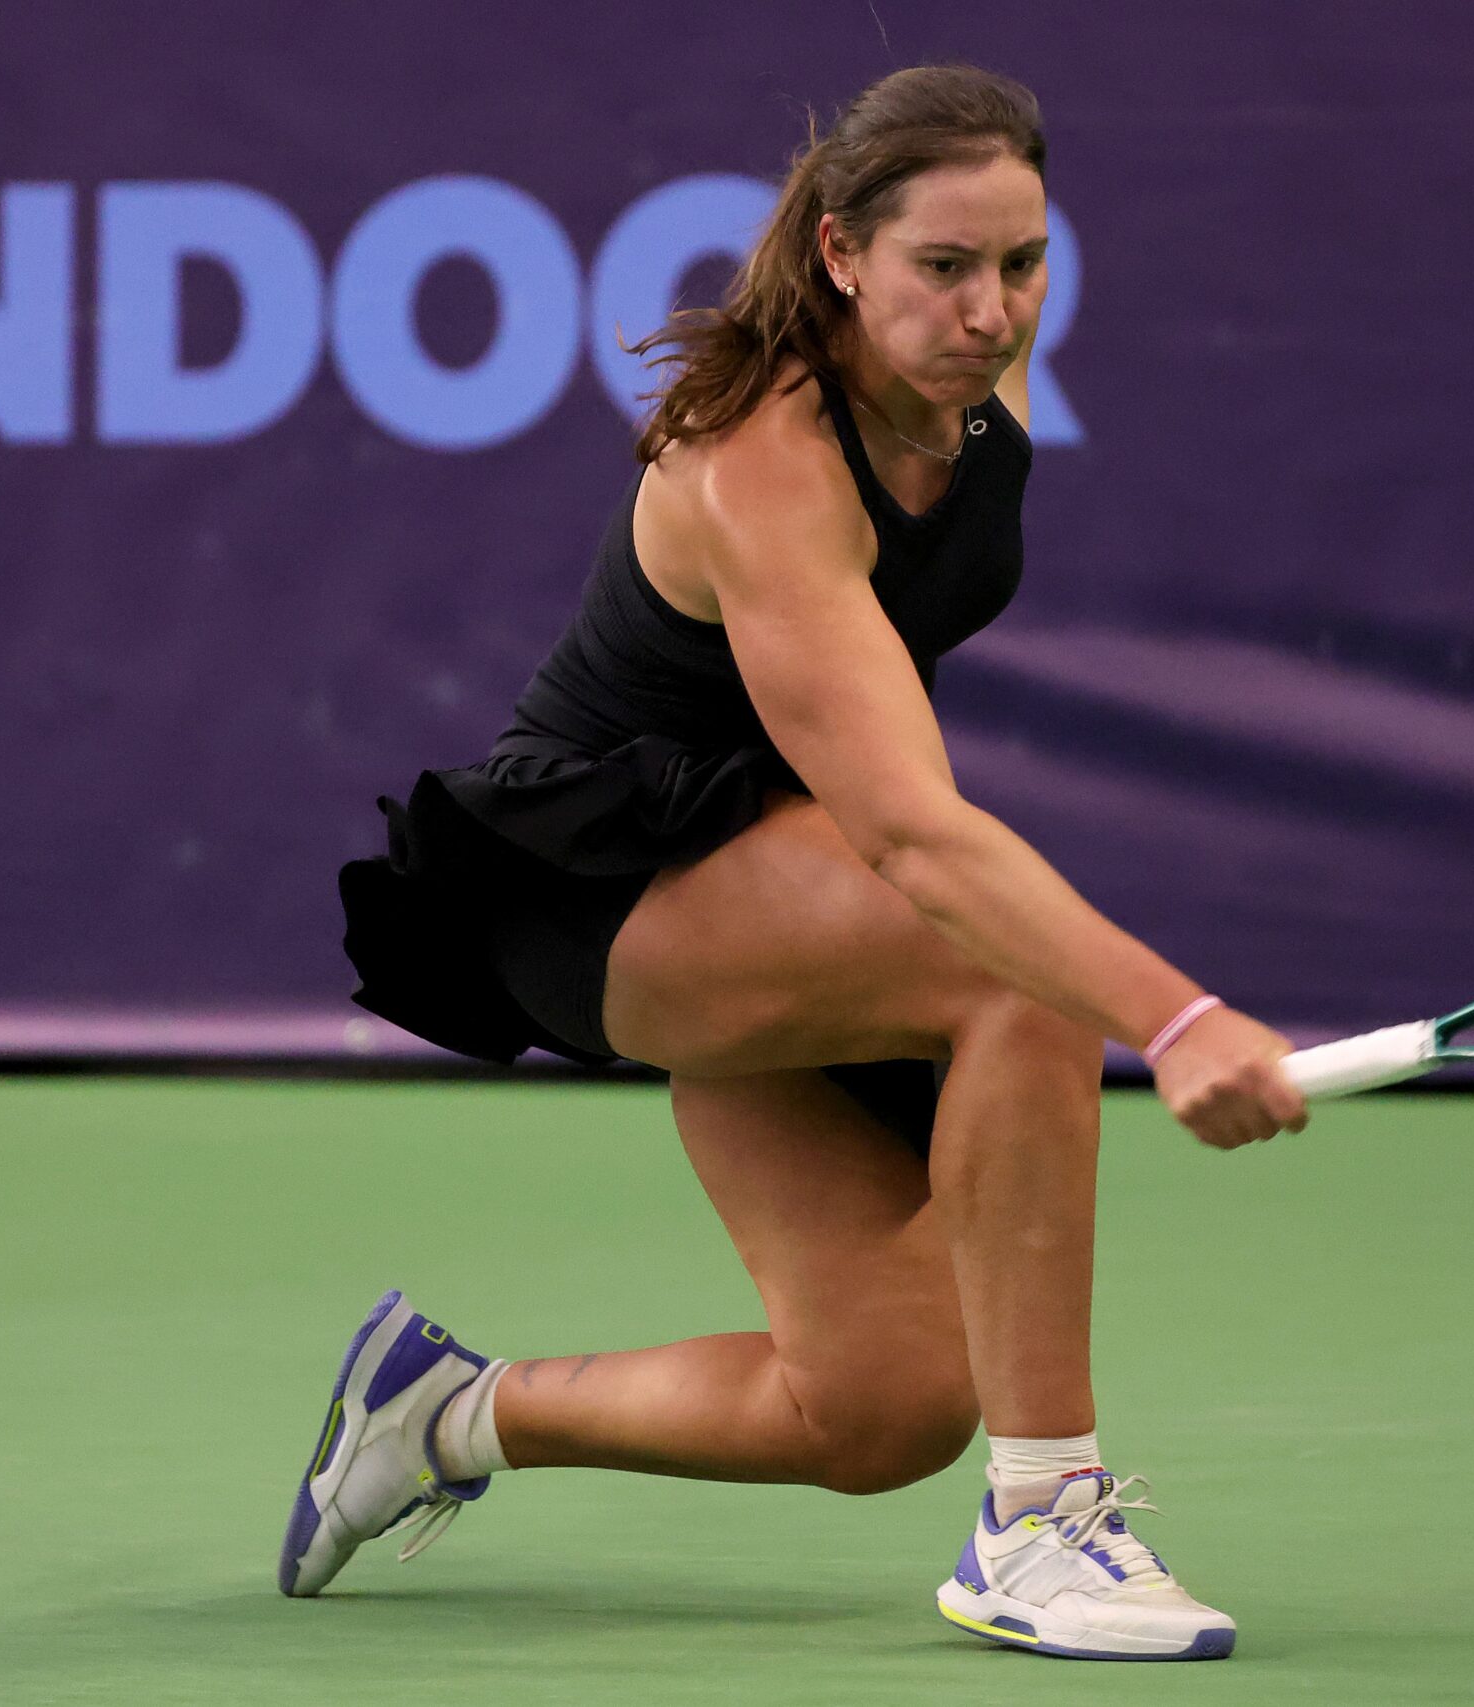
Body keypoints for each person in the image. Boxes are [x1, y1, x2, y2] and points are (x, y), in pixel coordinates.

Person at [298, 64, 1306, 1662]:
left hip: (776, 872)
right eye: (945, 268)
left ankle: (443, 1417)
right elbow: (913, 835)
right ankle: (1042, 1523)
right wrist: (1176, 1020)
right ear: (841, 254)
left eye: (1024, 263)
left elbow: (882, 779)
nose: (993, 310)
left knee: (883, 1406)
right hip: (603, 885)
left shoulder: (982, 395)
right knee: (1012, 973)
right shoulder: (763, 463)